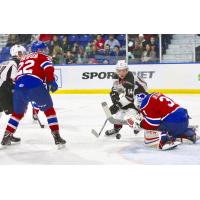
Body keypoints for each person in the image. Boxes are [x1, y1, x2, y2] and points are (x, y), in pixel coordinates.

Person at [1, 41, 66, 147]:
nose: (46, 51)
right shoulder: (42, 57)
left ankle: (6, 137)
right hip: (35, 85)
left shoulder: (23, 59)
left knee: (17, 114)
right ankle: (57, 136)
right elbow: (48, 69)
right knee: (49, 111)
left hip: (18, 88)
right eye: (44, 49)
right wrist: (51, 81)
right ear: (39, 50)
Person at [128, 92, 197, 150]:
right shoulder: (154, 95)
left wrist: (140, 124)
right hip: (184, 120)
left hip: (173, 123)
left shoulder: (145, 104)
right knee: (169, 122)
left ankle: (166, 139)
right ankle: (189, 134)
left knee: (152, 127)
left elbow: (152, 124)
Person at [105, 60, 148, 136]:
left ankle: (140, 123)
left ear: (127, 70)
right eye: (119, 71)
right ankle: (116, 129)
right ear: (116, 71)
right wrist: (115, 99)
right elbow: (115, 89)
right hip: (131, 94)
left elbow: (129, 98)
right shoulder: (116, 76)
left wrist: (117, 105)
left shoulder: (130, 78)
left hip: (141, 94)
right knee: (119, 112)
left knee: (131, 112)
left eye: (123, 71)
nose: (121, 73)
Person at [0, 44, 26, 144]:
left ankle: (9, 134)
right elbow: (13, 80)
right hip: (3, 90)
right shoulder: (15, 62)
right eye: (21, 53)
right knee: (18, 112)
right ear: (16, 53)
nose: (23, 55)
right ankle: (8, 134)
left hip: (2, 88)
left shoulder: (5, 61)